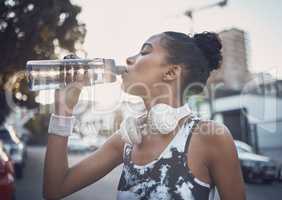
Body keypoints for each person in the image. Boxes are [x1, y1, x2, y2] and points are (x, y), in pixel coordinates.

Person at [43, 31, 246, 200]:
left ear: (171, 72)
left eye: (144, 52)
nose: (129, 59)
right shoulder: (126, 140)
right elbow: (55, 189)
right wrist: (63, 110)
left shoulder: (211, 137)